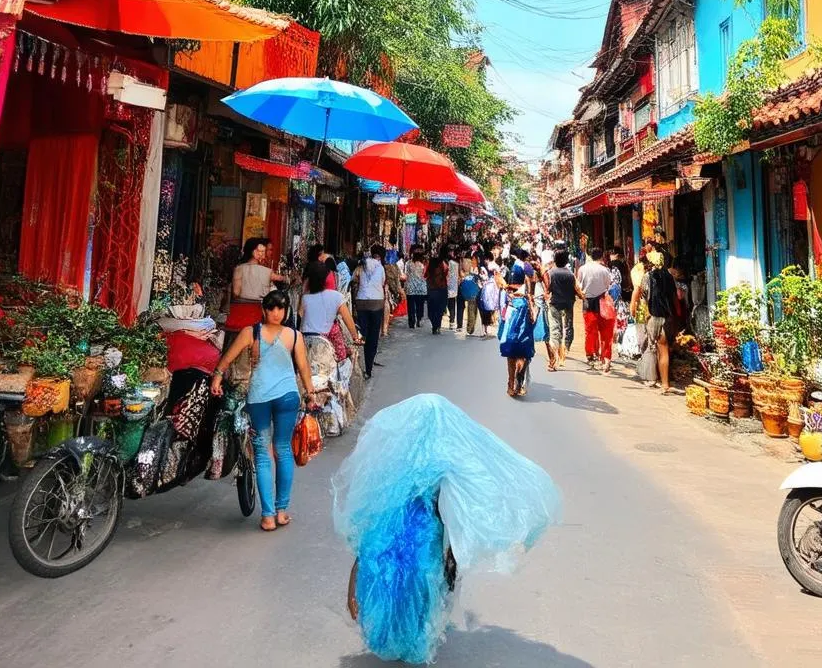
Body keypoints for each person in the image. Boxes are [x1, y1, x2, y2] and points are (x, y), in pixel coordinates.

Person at [334, 394, 562, 665]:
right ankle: (416, 642)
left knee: (399, 584)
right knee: (423, 587)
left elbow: (373, 518)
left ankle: (402, 636)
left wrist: (355, 574)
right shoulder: (445, 460)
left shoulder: (397, 462)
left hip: (398, 537)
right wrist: (452, 554)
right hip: (425, 536)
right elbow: (458, 508)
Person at [211, 290, 316, 532]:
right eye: (272, 308)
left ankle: (268, 516)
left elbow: (227, 359)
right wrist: (310, 393)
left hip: (258, 398)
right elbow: (303, 368)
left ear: (285, 310)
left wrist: (217, 378)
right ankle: (281, 511)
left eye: (279, 308)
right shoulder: (294, 336)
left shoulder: (251, 333)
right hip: (288, 397)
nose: (276, 313)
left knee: (262, 454)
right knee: (283, 450)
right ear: (265, 310)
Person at [630, 250, 679, 392]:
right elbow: (674, 298)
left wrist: (634, 308)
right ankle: (661, 379)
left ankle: (664, 384)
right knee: (664, 350)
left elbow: (640, 294)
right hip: (669, 317)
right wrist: (677, 316)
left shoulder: (647, 277)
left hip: (655, 318)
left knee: (660, 350)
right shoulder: (669, 277)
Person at [301, 261, 363, 362]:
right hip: (327, 342)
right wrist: (355, 337)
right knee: (342, 357)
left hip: (306, 341)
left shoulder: (305, 298)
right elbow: (348, 320)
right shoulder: (336, 296)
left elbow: (300, 317)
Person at [226, 237, 287, 332]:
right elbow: (282, 279)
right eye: (261, 252)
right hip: (256, 315)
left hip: (238, 314)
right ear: (255, 253)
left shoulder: (238, 269)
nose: (264, 254)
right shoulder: (268, 272)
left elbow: (236, 292)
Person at [498, 259, 535, 396]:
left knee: (511, 357)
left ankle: (511, 385)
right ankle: (520, 383)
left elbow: (501, 314)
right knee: (523, 356)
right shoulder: (527, 295)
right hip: (524, 332)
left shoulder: (506, 293)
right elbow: (533, 317)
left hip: (510, 332)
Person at [577, 247, 614, 373]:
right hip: (602, 301)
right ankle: (605, 359)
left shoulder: (583, 269)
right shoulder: (604, 270)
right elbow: (608, 284)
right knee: (606, 333)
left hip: (588, 301)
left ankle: (591, 355)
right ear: (602, 256)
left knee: (590, 330)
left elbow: (579, 284)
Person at [354, 245, 387, 380]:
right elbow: (383, 282)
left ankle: (358, 363)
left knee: (362, 333)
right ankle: (368, 368)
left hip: (361, 302)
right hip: (377, 303)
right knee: (373, 336)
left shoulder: (361, 265)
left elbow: (354, 279)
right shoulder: (380, 267)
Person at [546, 249, 583, 367]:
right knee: (568, 327)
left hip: (555, 303)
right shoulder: (570, 274)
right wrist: (582, 297)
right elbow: (576, 289)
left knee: (555, 329)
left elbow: (548, 289)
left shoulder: (550, 273)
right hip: (568, 303)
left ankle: (555, 355)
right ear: (566, 261)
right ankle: (565, 350)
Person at [457, 251, 482, 336]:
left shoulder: (475, 268)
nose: (474, 261)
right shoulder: (474, 268)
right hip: (473, 290)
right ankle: (470, 327)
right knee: (472, 309)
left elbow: (462, 275)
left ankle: (470, 327)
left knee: (471, 309)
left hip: (470, 290)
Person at [404, 248, 428, 329]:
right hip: (421, 288)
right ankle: (419, 319)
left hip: (410, 287)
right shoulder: (424, 264)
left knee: (410, 306)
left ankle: (411, 322)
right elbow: (426, 275)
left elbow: (406, 274)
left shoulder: (408, 263)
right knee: (420, 305)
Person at [426, 254, 449, 335]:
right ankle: (437, 325)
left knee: (432, 310)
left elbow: (425, 275)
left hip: (431, 289)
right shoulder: (442, 266)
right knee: (440, 309)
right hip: (442, 289)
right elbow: (446, 272)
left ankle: (434, 326)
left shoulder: (430, 267)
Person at [446, 247, 460, 328]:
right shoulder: (456, 264)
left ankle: (450, 318)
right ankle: (452, 321)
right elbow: (457, 275)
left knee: (448, 303)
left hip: (447, 286)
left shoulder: (446, 264)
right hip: (454, 286)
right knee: (452, 303)